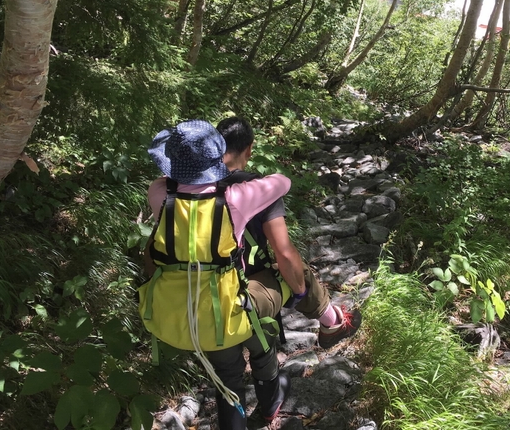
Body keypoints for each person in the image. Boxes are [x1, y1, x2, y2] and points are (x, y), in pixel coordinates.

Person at [143, 120, 292, 430]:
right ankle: (270, 403)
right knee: (253, 341)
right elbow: (282, 182)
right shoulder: (235, 198)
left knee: (227, 377)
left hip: (179, 310)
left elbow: (168, 180)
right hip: (223, 309)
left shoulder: (159, 193)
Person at [215, 116, 361, 352]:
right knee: (295, 268)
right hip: (232, 293)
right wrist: (299, 292)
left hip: (182, 295)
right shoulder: (257, 190)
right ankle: (332, 322)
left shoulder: (184, 190)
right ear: (250, 149)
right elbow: (283, 253)